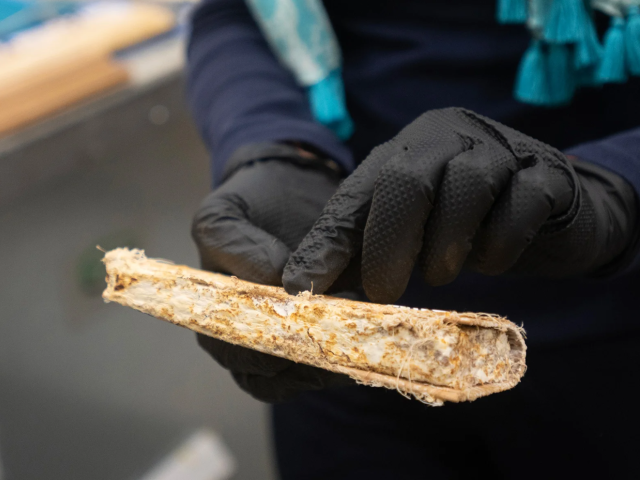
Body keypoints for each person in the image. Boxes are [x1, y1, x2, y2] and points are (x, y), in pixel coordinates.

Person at [186, 1, 640, 478]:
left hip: (611, 323)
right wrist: (275, 146)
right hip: (351, 343)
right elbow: (230, 12)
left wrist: (618, 179)